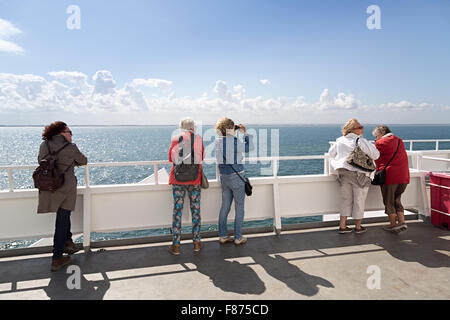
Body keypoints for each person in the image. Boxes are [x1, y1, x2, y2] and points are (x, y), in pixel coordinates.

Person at [37, 121, 88, 271]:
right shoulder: (70, 147)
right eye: (70, 131)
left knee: (63, 218)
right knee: (62, 221)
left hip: (49, 187)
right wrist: (71, 162)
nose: (71, 134)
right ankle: (57, 258)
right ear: (62, 133)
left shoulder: (44, 145)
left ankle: (68, 241)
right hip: (65, 188)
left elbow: (40, 161)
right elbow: (83, 161)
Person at [328, 118, 380, 234]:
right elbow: (376, 155)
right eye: (360, 127)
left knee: (345, 199)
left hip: (344, 173)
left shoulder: (340, 140)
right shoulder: (360, 141)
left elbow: (331, 154)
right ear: (354, 130)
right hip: (359, 175)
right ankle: (358, 227)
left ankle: (342, 227)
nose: (362, 129)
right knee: (359, 200)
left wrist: (334, 167)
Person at [214, 117, 254, 245]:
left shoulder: (217, 141)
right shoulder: (234, 141)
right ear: (231, 129)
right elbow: (249, 147)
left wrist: (232, 131)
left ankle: (223, 236)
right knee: (239, 207)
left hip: (224, 177)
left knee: (225, 207)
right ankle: (238, 237)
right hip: (236, 177)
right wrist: (245, 133)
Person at [168, 118, 205, 255]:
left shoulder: (175, 138)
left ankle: (176, 245)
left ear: (181, 127)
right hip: (194, 180)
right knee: (196, 210)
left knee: (177, 212)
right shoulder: (198, 138)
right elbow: (202, 157)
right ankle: (196, 242)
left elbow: (170, 158)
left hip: (178, 181)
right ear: (193, 127)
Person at [373, 125, 410, 233]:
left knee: (389, 201)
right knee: (397, 199)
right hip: (403, 176)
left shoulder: (380, 143)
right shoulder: (399, 140)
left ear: (381, 134)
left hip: (390, 176)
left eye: (376, 136)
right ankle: (402, 222)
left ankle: (393, 224)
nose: (376, 139)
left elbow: (373, 154)